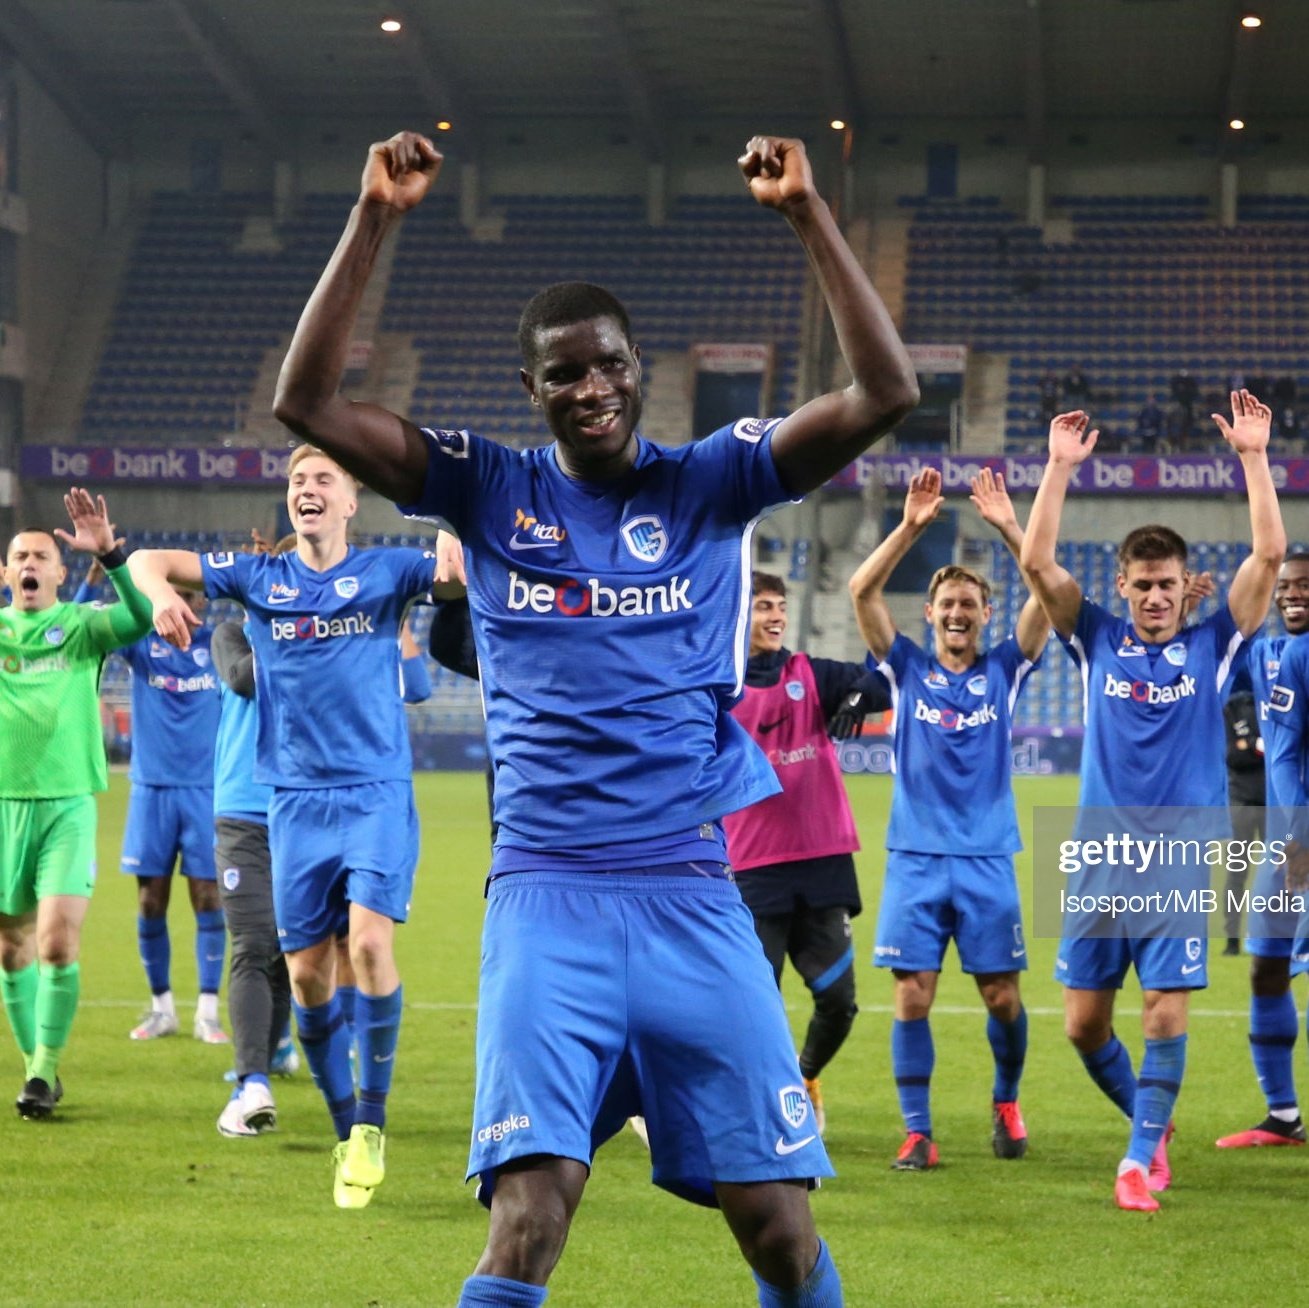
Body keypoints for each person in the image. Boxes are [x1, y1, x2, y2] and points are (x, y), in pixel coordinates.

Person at [270, 128, 917, 1307]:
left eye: (608, 364)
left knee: (777, 1225)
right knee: (528, 1221)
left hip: (689, 892)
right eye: (564, 373)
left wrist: (808, 216)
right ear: (534, 392)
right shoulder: (487, 486)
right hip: (546, 899)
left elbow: (886, 393)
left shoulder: (709, 481)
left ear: (638, 367)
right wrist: (373, 216)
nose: (592, 388)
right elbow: (304, 400)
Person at [129, 445, 447, 1208]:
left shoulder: (388, 572)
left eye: (323, 481)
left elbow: (455, 563)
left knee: (367, 945)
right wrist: (157, 596)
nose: (308, 489)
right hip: (291, 803)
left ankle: (370, 1122)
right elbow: (146, 558)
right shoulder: (258, 581)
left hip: (373, 793)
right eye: (299, 480)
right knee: (304, 975)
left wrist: (454, 519)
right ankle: (345, 1134)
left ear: (350, 501)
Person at [1018, 395, 1285, 1212]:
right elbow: (1034, 564)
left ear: (1181, 583)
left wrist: (1250, 457)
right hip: (1095, 853)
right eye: (1143, 585)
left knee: (1166, 1013)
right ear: (1123, 585)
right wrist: (1058, 469)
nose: (1157, 597)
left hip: (1174, 854)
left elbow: (1269, 555)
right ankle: (1150, 1121)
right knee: (1082, 1026)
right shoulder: (1094, 634)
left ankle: (1137, 1161)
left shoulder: (1213, 646)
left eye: (1168, 584)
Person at [849, 467, 1048, 1170]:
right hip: (914, 856)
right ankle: (918, 1132)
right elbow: (861, 591)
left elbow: (1049, 591)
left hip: (987, 856)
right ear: (928, 615)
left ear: (985, 613)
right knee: (912, 994)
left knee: (1000, 997)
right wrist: (908, 528)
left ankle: (1005, 1097)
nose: (957, 612)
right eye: (946, 604)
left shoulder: (1007, 668)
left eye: (968, 603)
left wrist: (1009, 526)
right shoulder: (902, 668)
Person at [0, 489, 155, 1117]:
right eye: (20, 555)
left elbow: (140, 618)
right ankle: (37, 1063)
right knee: (11, 950)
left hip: (66, 805)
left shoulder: (85, 626)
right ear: (6, 573)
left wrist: (113, 556)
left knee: (58, 943)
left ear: (60, 571)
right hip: (4, 806)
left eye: (41, 554)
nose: (31, 563)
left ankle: (42, 1071)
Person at [722, 570, 891, 1136]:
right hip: (750, 869)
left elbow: (885, 685)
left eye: (778, 606)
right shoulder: (714, 687)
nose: (774, 616)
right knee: (752, 1008)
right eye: (762, 606)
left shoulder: (810, 674)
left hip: (822, 862)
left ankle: (805, 1076)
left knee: (839, 1001)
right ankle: (766, 1104)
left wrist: (858, 699)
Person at [1215, 554, 1309, 1148]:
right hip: (1284, 846)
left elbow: (1292, 756)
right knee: (1267, 969)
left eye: (1306, 587)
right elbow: (1225, 670)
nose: (1293, 595)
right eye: (1287, 586)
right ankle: (1282, 1116)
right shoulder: (1274, 652)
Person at [111, 589, 227, 1044]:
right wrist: (104, 579)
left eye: (196, 593)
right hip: (152, 790)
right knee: (149, 902)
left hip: (205, 792)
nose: (189, 600)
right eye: (180, 592)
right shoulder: (143, 643)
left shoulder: (220, 643)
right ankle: (162, 1009)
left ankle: (207, 1012)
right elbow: (96, 633)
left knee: (208, 898)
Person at [1221, 680, 1264, 955]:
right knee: (1237, 870)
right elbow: (1233, 757)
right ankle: (1232, 938)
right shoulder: (1232, 708)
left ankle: (1277, 933)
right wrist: (1257, 747)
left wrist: (1248, 745)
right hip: (1242, 804)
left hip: (1276, 805)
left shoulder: (1275, 706)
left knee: (1283, 868)